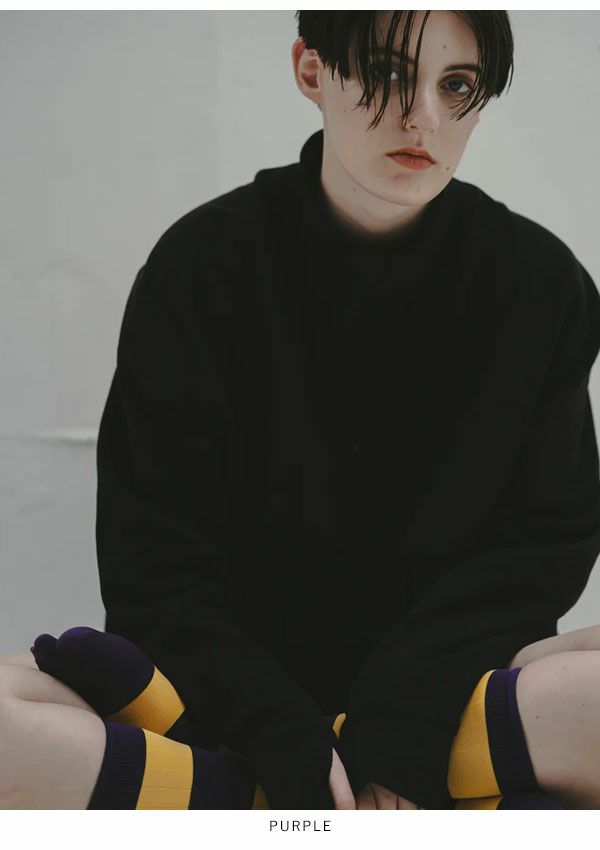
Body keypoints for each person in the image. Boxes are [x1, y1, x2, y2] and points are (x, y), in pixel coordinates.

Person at [2, 10, 600, 811]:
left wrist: (401, 723)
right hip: (224, 704)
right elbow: (156, 564)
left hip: (444, 699)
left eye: (457, 84)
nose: (422, 116)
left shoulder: (541, 286)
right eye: (386, 73)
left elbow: (542, 549)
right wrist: (279, 731)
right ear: (313, 72)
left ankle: (246, 807)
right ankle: (279, 798)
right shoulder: (200, 268)